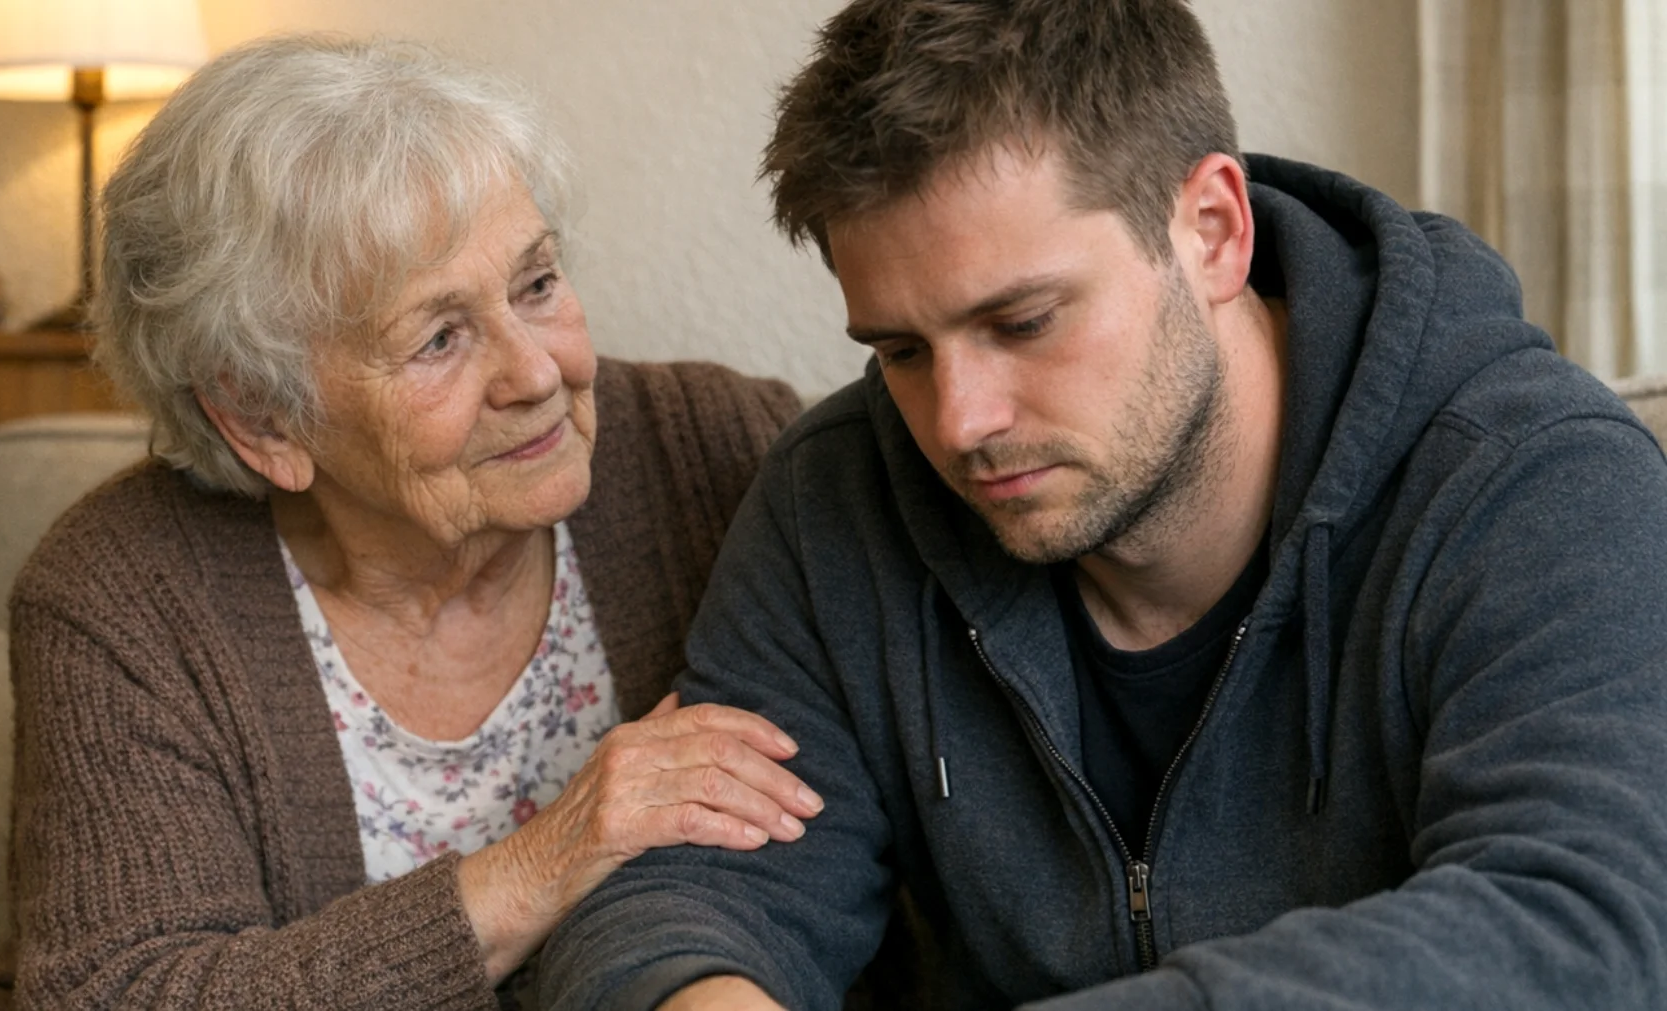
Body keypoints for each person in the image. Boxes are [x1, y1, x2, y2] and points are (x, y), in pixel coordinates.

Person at [536, 0, 1667, 1008]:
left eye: (1023, 322)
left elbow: (1585, 926)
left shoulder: (1531, 478)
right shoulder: (835, 497)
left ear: (1213, 230)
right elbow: (683, 893)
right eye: (900, 350)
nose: (960, 422)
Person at [0, 34, 823, 1011]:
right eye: (438, 338)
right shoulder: (124, 595)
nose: (536, 373)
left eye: (536, 284)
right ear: (261, 416)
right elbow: (125, 990)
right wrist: (542, 862)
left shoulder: (719, 451)